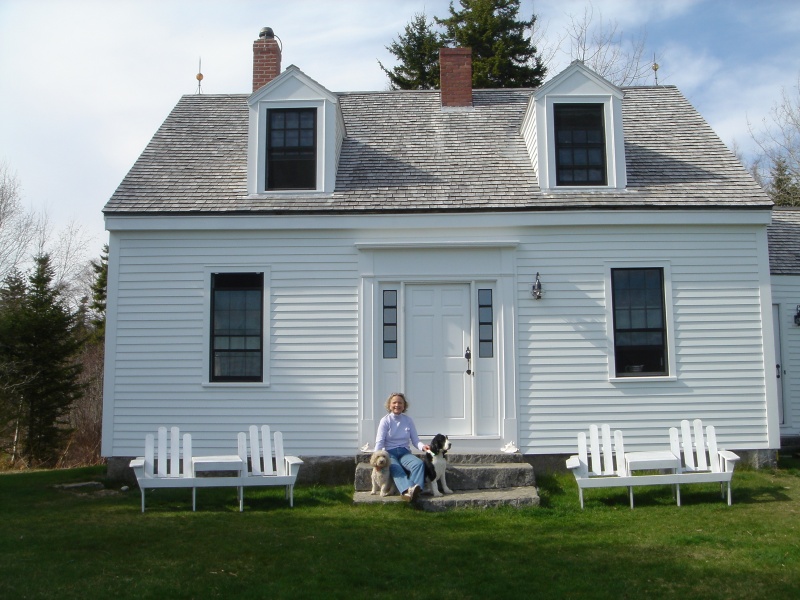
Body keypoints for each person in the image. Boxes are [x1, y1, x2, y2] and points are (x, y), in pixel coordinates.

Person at [374, 392, 429, 502]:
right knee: (396, 468)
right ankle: (408, 491)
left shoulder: (408, 421)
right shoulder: (385, 420)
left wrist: (423, 447)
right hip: (390, 453)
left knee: (418, 464)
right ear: (389, 405)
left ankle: (412, 491)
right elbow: (379, 442)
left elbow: (415, 440)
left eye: (400, 403)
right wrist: (375, 460)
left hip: (405, 452)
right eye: (394, 403)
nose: (397, 405)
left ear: (404, 406)